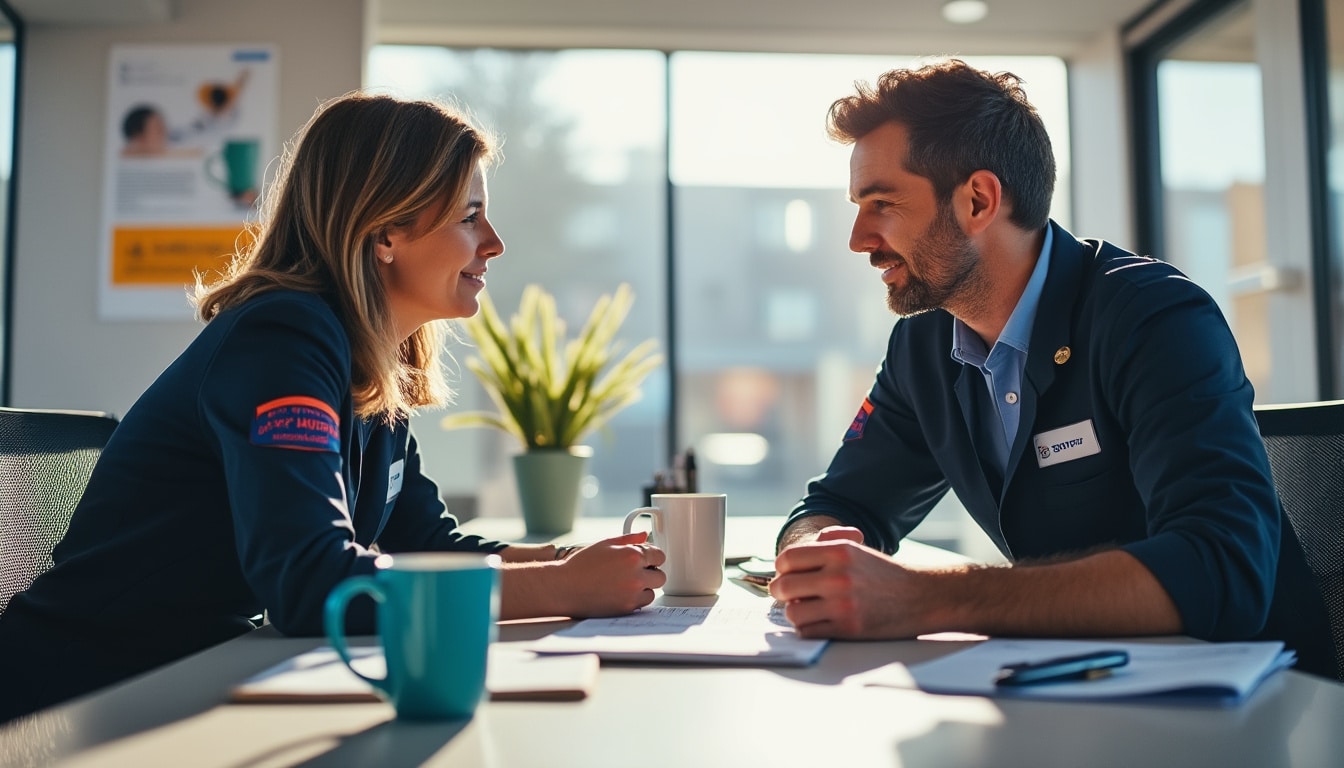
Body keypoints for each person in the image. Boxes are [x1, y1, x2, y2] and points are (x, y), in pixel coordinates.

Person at [0, 92, 666, 722]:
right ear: (384, 235)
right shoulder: (282, 339)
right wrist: (562, 588)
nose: (493, 242)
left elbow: (424, 543)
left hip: (186, 678)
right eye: (469, 216)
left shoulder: (369, 355)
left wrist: (571, 560)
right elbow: (311, 583)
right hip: (78, 704)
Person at [769, 59, 1335, 678]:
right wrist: (813, 562)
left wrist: (922, 597)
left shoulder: (1153, 317)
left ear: (979, 200)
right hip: (1077, 688)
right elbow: (842, 501)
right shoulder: (924, 346)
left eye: (882, 203)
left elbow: (1223, 568)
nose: (857, 238)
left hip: (1261, 707)